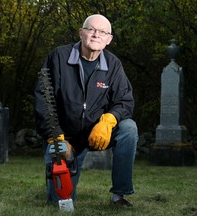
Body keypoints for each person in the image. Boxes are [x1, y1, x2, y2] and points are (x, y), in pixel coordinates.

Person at [35, 14, 138, 208]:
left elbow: (124, 101)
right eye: (91, 29)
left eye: (103, 32)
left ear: (109, 39)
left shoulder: (113, 64)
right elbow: (43, 99)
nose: (96, 35)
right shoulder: (58, 57)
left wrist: (108, 121)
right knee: (60, 202)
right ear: (81, 33)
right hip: (63, 136)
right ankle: (62, 190)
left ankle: (119, 195)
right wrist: (55, 136)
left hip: (96, 132)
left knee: (129, 128)